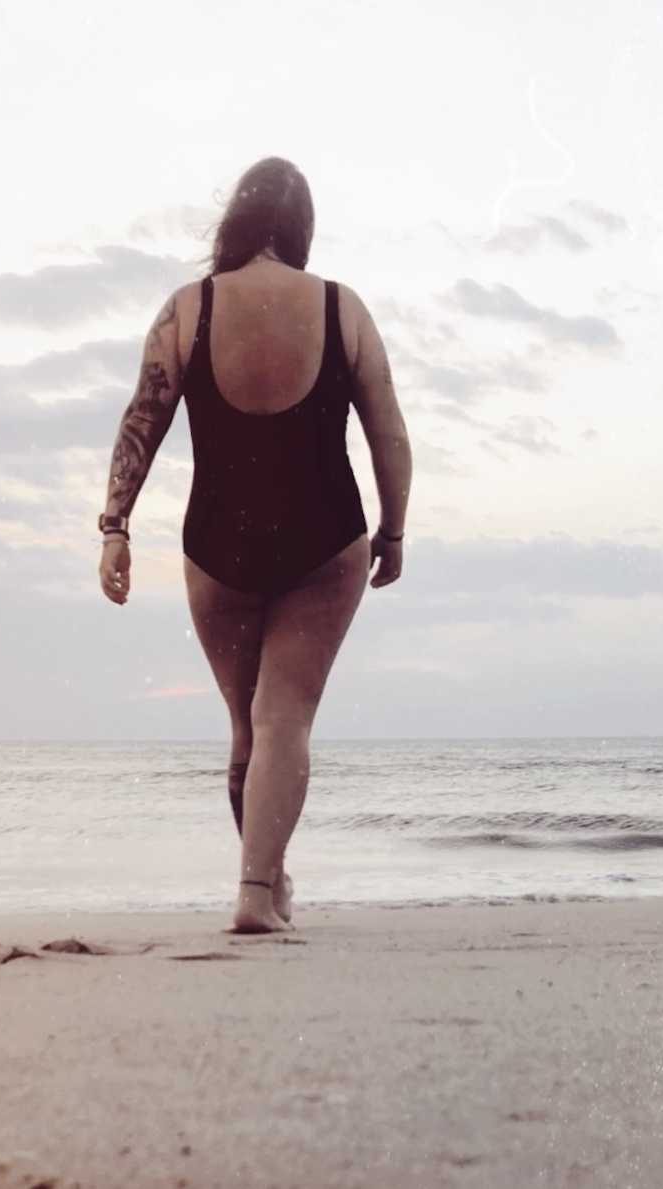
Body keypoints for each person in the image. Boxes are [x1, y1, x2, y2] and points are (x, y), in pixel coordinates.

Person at [97, 156, 412, 933]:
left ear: (235, 220)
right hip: (324, 537)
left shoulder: (187, 308)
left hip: (217, 542)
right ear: (302, 229)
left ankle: (263, 885)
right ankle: (255, 892)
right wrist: (394, 528)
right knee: (286, 722)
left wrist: (115, 528)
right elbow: (390, 436)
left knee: (247, 727)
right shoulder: (343, 308)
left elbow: (142, 420)